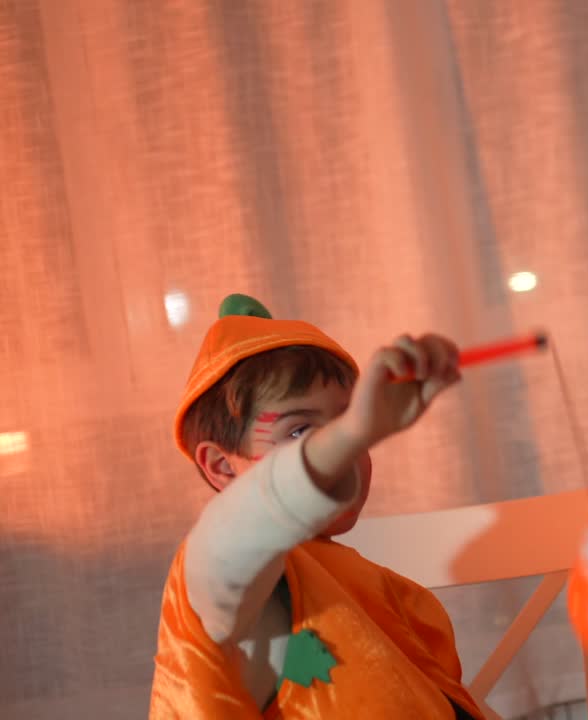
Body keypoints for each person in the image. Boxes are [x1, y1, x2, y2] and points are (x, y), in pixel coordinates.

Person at [149, 294, 482, 719]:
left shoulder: (388, 593)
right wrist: (351, 433)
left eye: (350, 422)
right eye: (299, 430)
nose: (348, 447)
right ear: (221, 467)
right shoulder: (226, 579)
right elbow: (236, 531)